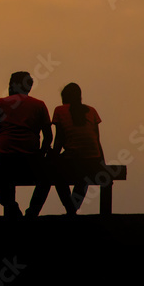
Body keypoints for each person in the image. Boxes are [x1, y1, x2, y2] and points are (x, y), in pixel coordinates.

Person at [0, 71, 52, 218]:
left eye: (10, 84)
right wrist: (41, 153)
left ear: (14, 85)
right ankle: (32, 212)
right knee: (48, 177)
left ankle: (11, 206)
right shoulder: (39, 105)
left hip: (6, 159)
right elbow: (48, 136)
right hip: (31, 159)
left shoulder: (2, 104)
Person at [50, 83, 103, 215]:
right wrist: (102, 162)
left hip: (73, 159)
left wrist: (52, 157)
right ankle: (72, 209)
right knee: (83, 178)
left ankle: (70, 209)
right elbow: (96, 140)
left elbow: (59, 140)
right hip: (93, 159)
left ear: (64, 98)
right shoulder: (92, 111)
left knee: (56, 175)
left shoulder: (60, 110)